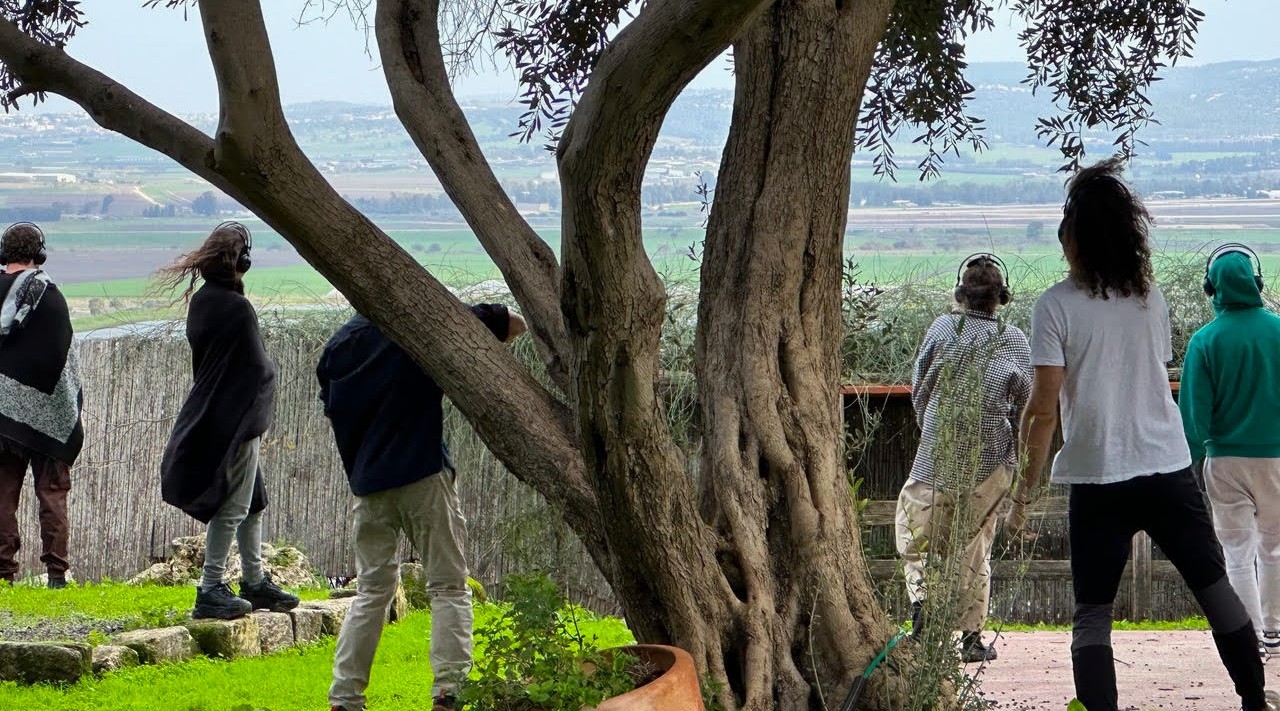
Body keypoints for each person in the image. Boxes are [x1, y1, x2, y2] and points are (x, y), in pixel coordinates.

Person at [1007, 158, 1278, 711]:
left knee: (1092, 612)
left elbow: (1042, 411)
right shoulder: (1149, 298)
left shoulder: (1053, 306)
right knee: (1213, 588)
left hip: (1096, 475)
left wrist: (1023, 492)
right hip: (1166, 467)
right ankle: (1254, 698)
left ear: (1075, 237)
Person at [318, 304, 525, 711]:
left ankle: (344, 697)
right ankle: (449, 692)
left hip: (368, 485)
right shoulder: (416, 320)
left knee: (371, 592)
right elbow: (512, 323)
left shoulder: (336, 348)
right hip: (422, 473)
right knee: (449, 586)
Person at [157, 222, 298, 620]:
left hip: (217, 416)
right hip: (236, 421)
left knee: (252, 504)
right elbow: (257, 370)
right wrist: (257, 416)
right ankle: (211, 589)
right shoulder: (237, 309)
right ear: (242, 263)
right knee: (233, 508)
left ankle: (255, 581)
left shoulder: (202, 303)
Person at [895, 253, 1031, 664]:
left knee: (912, 533)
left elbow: (921, 383)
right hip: (991, 460)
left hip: (936, 453)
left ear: (960, 294)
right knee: (975, 548)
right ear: (1001, 297)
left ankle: (921, 605)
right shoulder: (1015, 339)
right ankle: (971, 639)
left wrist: (930, 422)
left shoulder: (942, 327)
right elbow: (1024, 406)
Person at [1180, 243, 1280, 657]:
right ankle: (1275, 632)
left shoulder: (1204, 341)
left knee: (1236, 551)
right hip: (1276, 457)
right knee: (1274, 546)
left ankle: (1248, 635)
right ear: (1256, 283)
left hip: (1224, 460)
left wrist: (1191, 460)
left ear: (1212, 287)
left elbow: (1192, 412)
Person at [0, 222, 84, 589]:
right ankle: (56, 574)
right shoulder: (51, 298)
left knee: (1, 495)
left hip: (1, 421)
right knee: (52, 494)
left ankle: (3, 573)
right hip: (50, 419)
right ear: (40, 253)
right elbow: (64, 362)